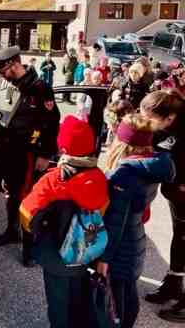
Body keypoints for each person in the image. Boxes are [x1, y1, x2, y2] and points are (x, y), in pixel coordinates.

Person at [20, 115, 108, 328]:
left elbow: (27, 215)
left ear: (64, 149)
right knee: (78, 296)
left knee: (58, 302)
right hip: (86, 251)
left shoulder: (53, 179)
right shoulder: (99, 178)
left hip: (56, 255)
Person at [98, 114, 175, 328]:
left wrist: (104, 260)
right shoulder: (150, 165)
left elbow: (115, 223)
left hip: (120, 249)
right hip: (135, 242)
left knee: (115, 304)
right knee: (128, 294)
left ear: (123, 142)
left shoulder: (124, 175)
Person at [0, 46, 61, 266]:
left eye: (3, 71)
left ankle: (30, 247)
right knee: (10, 193)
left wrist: (45, 154)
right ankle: (12, 231)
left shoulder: (40, 89)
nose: (1, 76)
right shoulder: (5, 83)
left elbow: (52, 124)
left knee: (28, 198)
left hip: (29, 153)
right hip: (7, 150)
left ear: (15, 64)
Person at [138, 91, 185, 322]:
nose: (147, 124)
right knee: (180, 239)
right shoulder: (166, 127)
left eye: (151, 119)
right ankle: (174, 284)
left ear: (170, 117)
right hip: (177, 194)